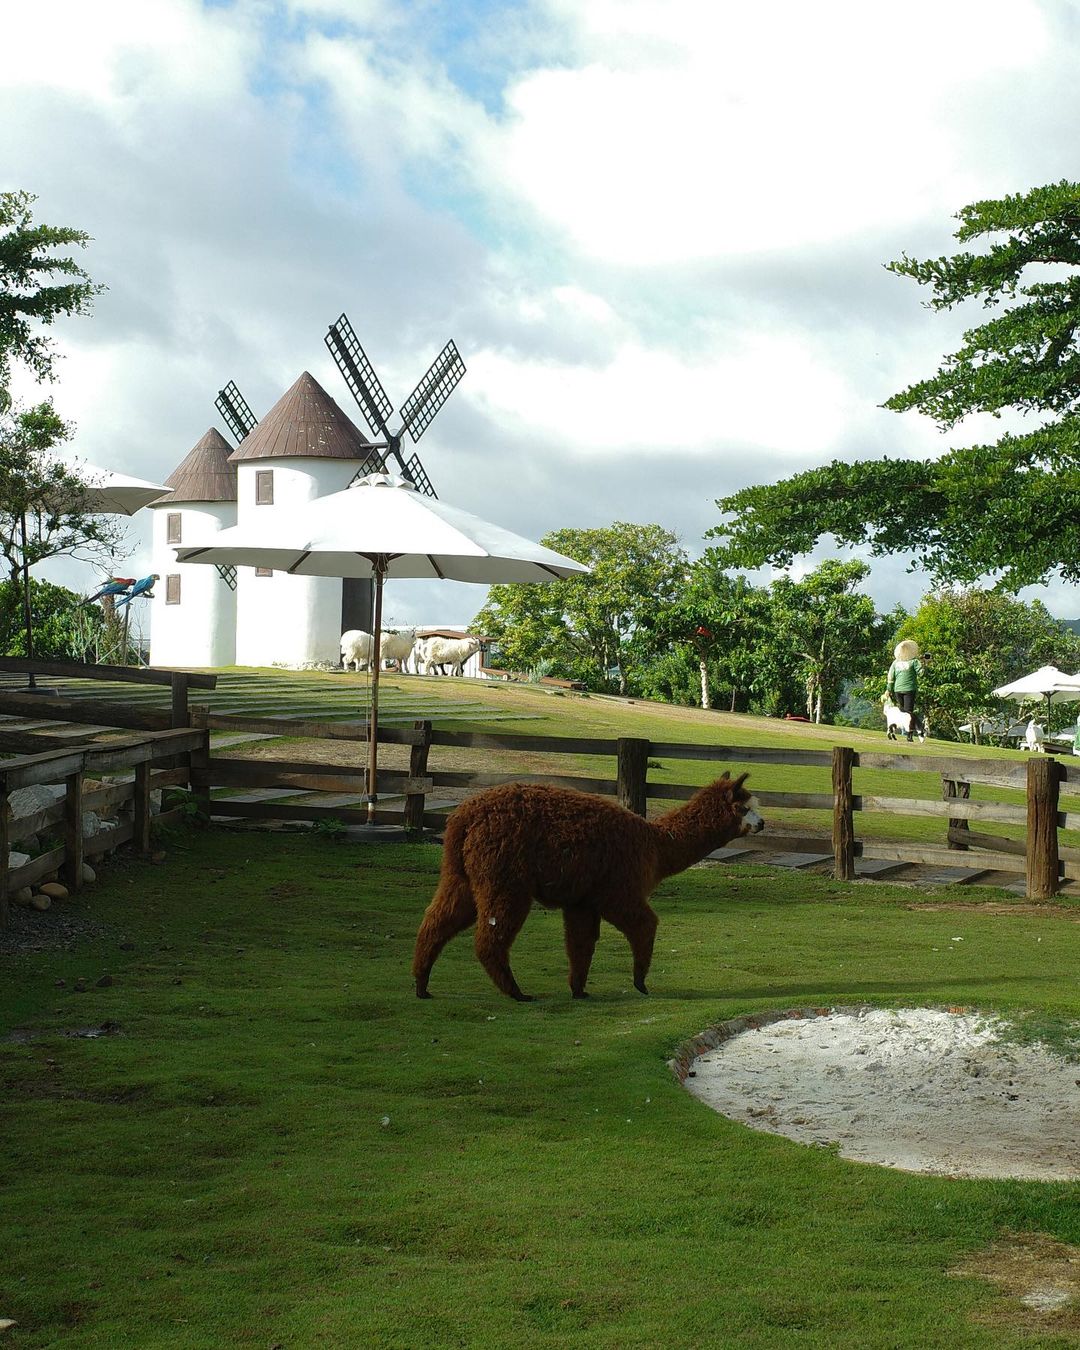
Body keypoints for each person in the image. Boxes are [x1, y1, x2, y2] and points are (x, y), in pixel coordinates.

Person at [887, 640, 923, 742]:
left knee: (902, 711)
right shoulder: (914, 662)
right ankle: (909, 734)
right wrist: (924, 664)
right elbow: (921, 673)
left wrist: (889, 689)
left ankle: (902, 731)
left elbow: (890, 677)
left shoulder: (895, 663)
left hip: (897, 690)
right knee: (909, 712)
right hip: (909, 689)